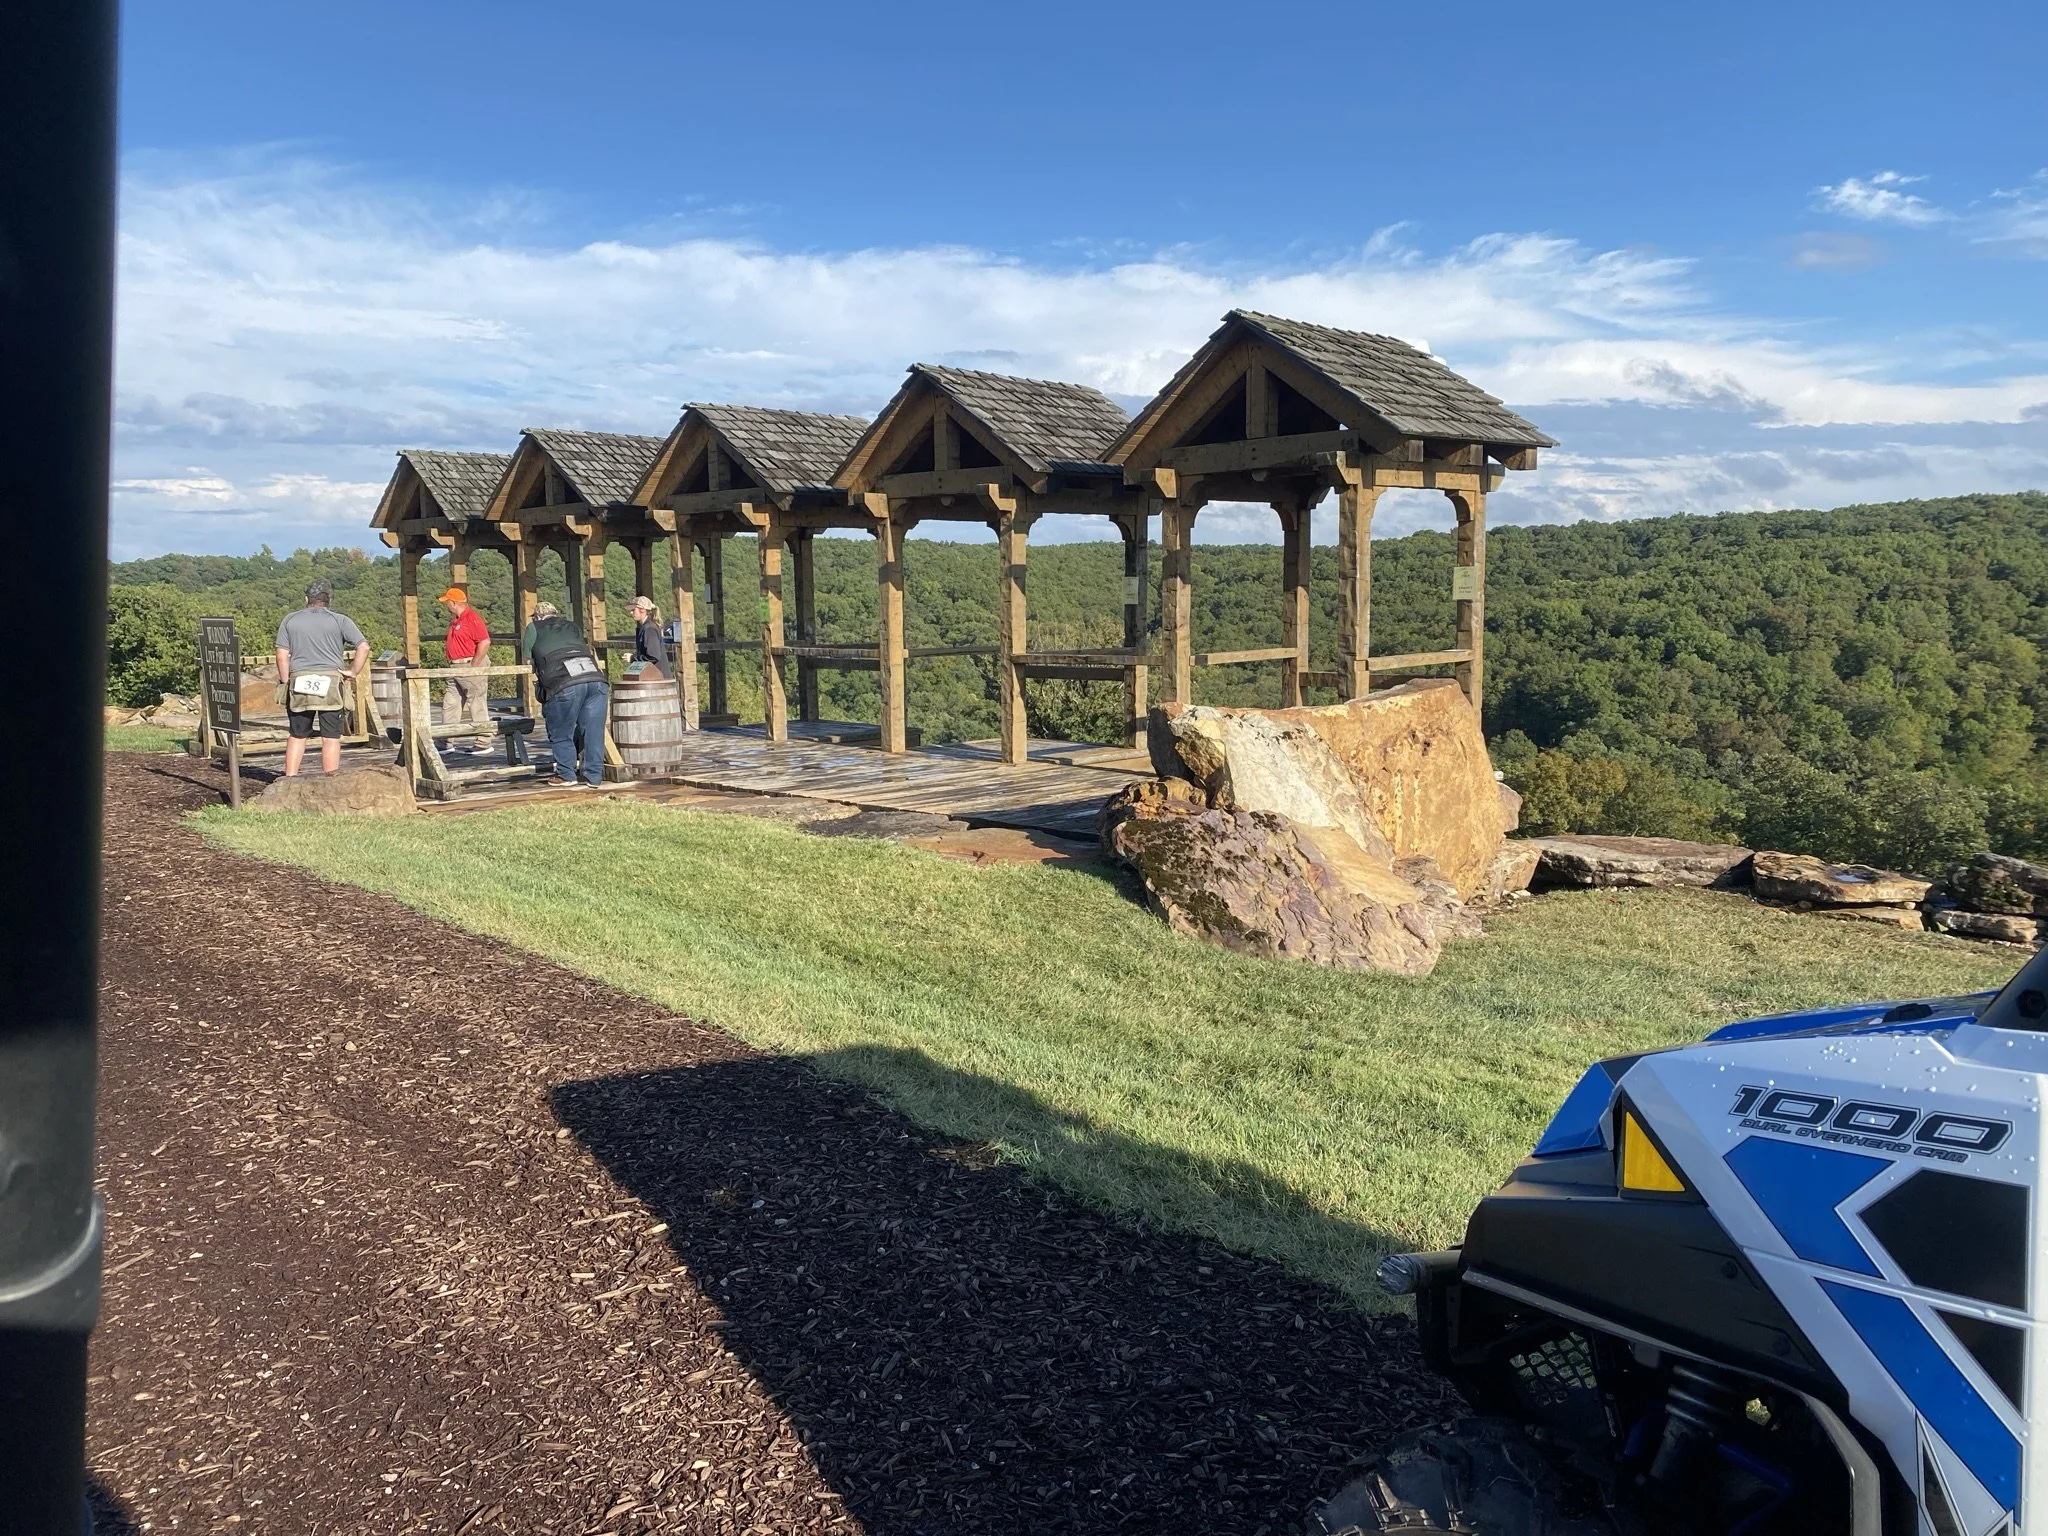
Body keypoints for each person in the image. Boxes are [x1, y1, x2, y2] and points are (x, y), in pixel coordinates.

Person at [275, 579, 371, 777]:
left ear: (306, 599)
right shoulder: (340, 620)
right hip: (331, 684)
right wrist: (352, 672)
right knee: (331, 737)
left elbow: (281, 655)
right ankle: (330, 780)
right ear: (329, 601)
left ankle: (289, 779)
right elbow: (363, 647)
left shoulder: (290, 620)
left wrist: (286, 681)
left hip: (299, 682)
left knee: (297, 735)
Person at [520, 600, 607, 787]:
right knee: (593, 731)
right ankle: (594, 776)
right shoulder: (572, 626)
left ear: (538, 616)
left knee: (561, 731)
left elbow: (527, 658)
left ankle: (567, 774)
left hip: (563, 682)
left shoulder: (534, 627)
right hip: (595, 678)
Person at [437, 585, 493, 747]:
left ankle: (483, 741)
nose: (446, 605)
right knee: (451, 703)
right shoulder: (456, 620)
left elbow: (484, 641)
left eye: (447, 602)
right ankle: (446, 740)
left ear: (453, 603)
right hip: (455, 666)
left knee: (476, 702)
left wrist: (474, 665)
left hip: (468, 664)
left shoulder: (472, 619)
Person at [627, 595, 673, 679]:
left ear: (642, 610)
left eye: (633, 610)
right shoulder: (646, 627)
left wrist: (632, 658)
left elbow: (653, 656)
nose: (631, 612)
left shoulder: (650, 629)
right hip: (655, 678)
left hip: (659, 679)